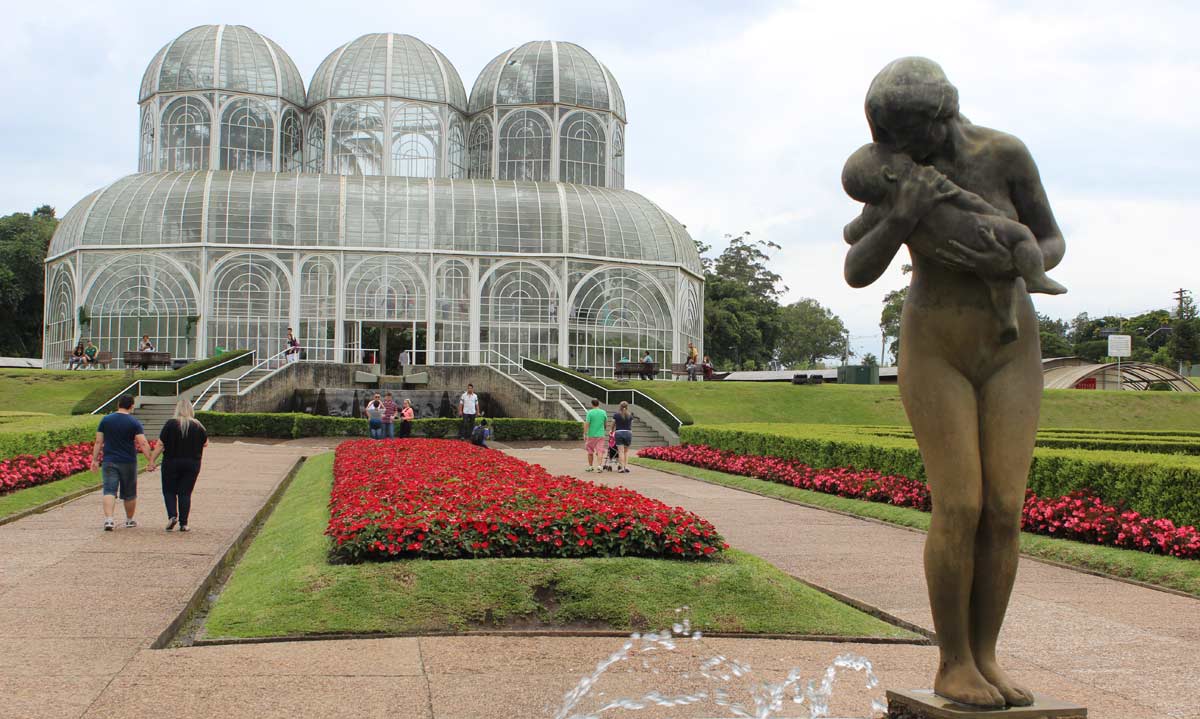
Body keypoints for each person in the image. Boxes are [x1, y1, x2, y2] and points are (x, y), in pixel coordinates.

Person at [842, 57, 1065, 709]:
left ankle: (987, 655)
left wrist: (1023, 253)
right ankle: (952, 662)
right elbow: (857, 267)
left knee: (1003, 510)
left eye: (907, 138)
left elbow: (1052, 238)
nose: (896, 152)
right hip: (934, 338)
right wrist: (901, 216)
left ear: (943, 120)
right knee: (960, 503)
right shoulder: (893, 171)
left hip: (1009, 339)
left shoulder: (1004, 156)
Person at [843, 141, 1065, 343]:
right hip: (974, 236)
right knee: (1021, 238)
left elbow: (851, 232)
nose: (908, 155)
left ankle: (1009, 317)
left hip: (965, 257)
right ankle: (1033, 282)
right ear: (889, 173)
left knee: (999, 278)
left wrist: (1008, 265)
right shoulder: (926, 184)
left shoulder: (1003, 154)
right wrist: (903, 216)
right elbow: (969, 199)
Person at [91, 394, 154, 530]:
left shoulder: (106, 420)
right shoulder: (134, 422)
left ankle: (109, 520)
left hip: (109, 460)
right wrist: (150, 460)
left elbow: (98, 441)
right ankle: (129, 520)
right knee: (129, 493)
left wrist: (94, 460)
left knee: (109, 490)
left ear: (118, 404)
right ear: (131, 406)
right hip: (128, 461)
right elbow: (142, 442)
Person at [148, 399, 208, 532]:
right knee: (185, 493)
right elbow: (205, 443)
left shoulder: (171, 424)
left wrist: (152, 461)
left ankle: (172, 515)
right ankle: (184, 523)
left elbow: (160, 444)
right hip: (192, 463)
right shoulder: (198, 425)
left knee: (169, 491)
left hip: (171, 461)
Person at [583, 398, 608, 472]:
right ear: (598, 404)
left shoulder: (590, 412)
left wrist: (585, 433)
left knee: (590, 451)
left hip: (591, 434)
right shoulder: (603, 412)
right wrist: (604, 429)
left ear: (592, 404)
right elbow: (605, 422)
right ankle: (599, 466)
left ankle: (590, 466)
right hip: (600, 434)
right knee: (600, 451)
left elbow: (587, 423)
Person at [612, 400, 634, 473]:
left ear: (620, 407)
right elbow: (630, 425)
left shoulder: (616, 415)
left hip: (619, 433)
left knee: (620, 451)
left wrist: (611, 430)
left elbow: (613, 424)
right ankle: (626, 466)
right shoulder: (630, 415)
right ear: (627, 407)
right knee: (626, 452)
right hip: (628, 433)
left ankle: (621, 468)